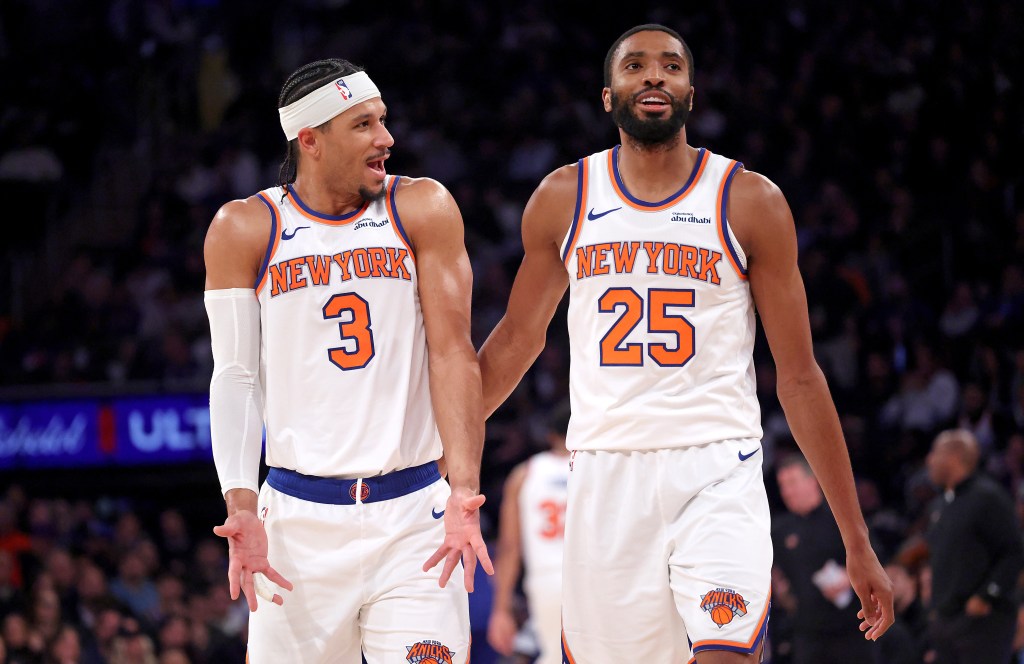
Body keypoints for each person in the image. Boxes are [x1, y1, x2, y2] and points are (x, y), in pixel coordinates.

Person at [477, 24, 894, 663]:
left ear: (691, 94)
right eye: (636, 66)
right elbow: (515, 341)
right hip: (605, 468)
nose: (653, 76)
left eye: (670, 67)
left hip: (716, 464)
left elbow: (801, 375)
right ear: (607, 95)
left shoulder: (749, 200)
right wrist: (431, 445)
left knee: (727, 652)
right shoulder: (564, 197)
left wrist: (856, 537)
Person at [203, 58, 492, 663]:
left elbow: (452, 351)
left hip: (414, 515)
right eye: (363, 125)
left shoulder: (421, 208)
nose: (386, 139)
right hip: (297, 526)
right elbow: (235, 376)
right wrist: (240, 504)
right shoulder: (245, 227)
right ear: (310, 140)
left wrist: (464, 488)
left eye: (382, 121)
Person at [923, 428, 1023, 664]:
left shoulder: (988, 497)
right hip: (947, 620)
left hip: (982, 621)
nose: (929, 460)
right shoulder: (941, 504)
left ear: (956, 457)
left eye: (936, 452)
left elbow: (1014, 551)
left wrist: (986, 596)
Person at [772, 455, 879, 664]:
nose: (787, 492)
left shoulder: (842, 518)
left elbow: (876, 556)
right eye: (782, 486)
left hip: (850, 628)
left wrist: (848, 578)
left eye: (792, 483)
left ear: (812, 481)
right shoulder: (780, 530)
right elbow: (774, 571)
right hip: (807, 632)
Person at [487, 401, 571, 664]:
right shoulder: (598, 468)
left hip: (545, 583)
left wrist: (501, 609)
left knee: (553, 656)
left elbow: (510, 547)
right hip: (594, 578)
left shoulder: (525, 474)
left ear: (550, 435)